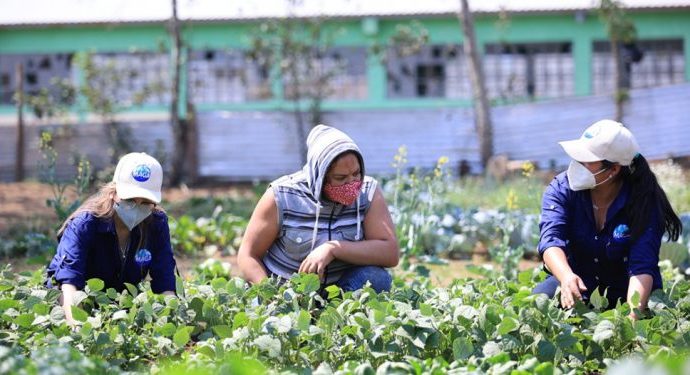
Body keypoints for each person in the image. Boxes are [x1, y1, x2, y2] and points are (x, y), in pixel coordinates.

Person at [533, 120, 682, 317]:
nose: (578, 165)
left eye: (587, 160)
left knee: (648, 319)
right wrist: (566, 276)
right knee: (540, 299)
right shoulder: (561, 189)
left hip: (627, 289)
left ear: (613, 170)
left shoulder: (643, 200)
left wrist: (632, 317)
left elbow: (642, 266)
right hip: (578, 283)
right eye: (578, 157)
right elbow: (551, 240)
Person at [238, 125, 399, 293]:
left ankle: (337, 315)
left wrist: (334, 248)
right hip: (289, 293)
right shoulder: (282, 195)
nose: (351, 184)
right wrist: (271, 296)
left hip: (341, 293)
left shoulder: (368, 192)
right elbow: (248, 255)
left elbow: (389, 252)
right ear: (319, 175)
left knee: (377, 278)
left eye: (356, 173)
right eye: (340, 178)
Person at [46, 152, 177, 326]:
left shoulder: (156, 223)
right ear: (113, 192)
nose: (137, 206)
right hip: (74, 300)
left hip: (119, 306)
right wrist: (76, 327)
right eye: (130, 199)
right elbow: (69, 282)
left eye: (145, 202)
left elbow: (164, 278)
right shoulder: (85, 224)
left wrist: (173, 321)